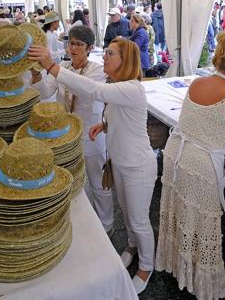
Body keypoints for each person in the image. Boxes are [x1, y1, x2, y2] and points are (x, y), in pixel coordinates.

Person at [29, 38, 157, 294]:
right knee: (127, 210)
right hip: (121, 162)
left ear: (126, 61)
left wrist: (52, 66)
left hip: (137, 166)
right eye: (106, 51)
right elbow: (120, 114)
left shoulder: (132, 88)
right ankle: (131, 247)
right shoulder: (118, 85)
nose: (105, 56)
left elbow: (95, 92)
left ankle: (146, 265)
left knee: (139, 218)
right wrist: (105, 125)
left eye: (111, 53)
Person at [155, 31, 225, 299]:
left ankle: (179, 268)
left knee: (181, 215)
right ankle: (206, 283)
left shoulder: (197, 83)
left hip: (175, 155)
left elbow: (205, 123)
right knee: (203, 224)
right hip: (200, 166)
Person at [31, 26, 114, 235]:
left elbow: (83, 87)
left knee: (99, 182)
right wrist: (35, 72)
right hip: (65, 136)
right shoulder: (62, 66)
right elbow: (44, 93)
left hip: (91, 133)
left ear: (90, 48)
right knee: (75, 180)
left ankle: (107, 225)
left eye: (79, 44)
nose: (73, 48)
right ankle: (84, 225)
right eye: (71, 43)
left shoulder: (97, 70)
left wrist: (51, 67)